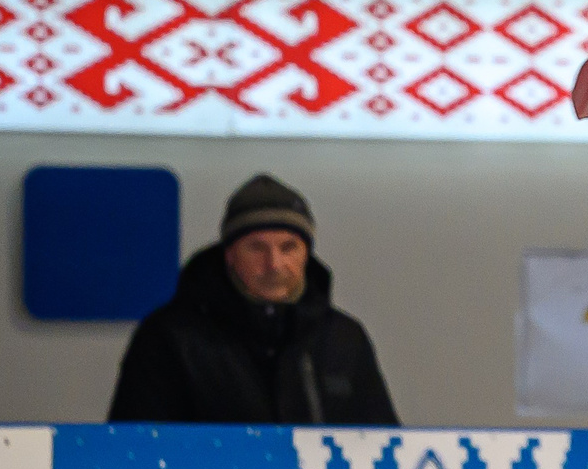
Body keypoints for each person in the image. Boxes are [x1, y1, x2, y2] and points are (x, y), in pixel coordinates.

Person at [108, 174, 399, 425]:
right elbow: (135, 450)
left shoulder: (345, 339)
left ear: (307, 254)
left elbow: (385, 448)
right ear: (230, 255)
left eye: (288, 247)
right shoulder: (168, 339)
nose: (274, 264)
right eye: (257, 248)